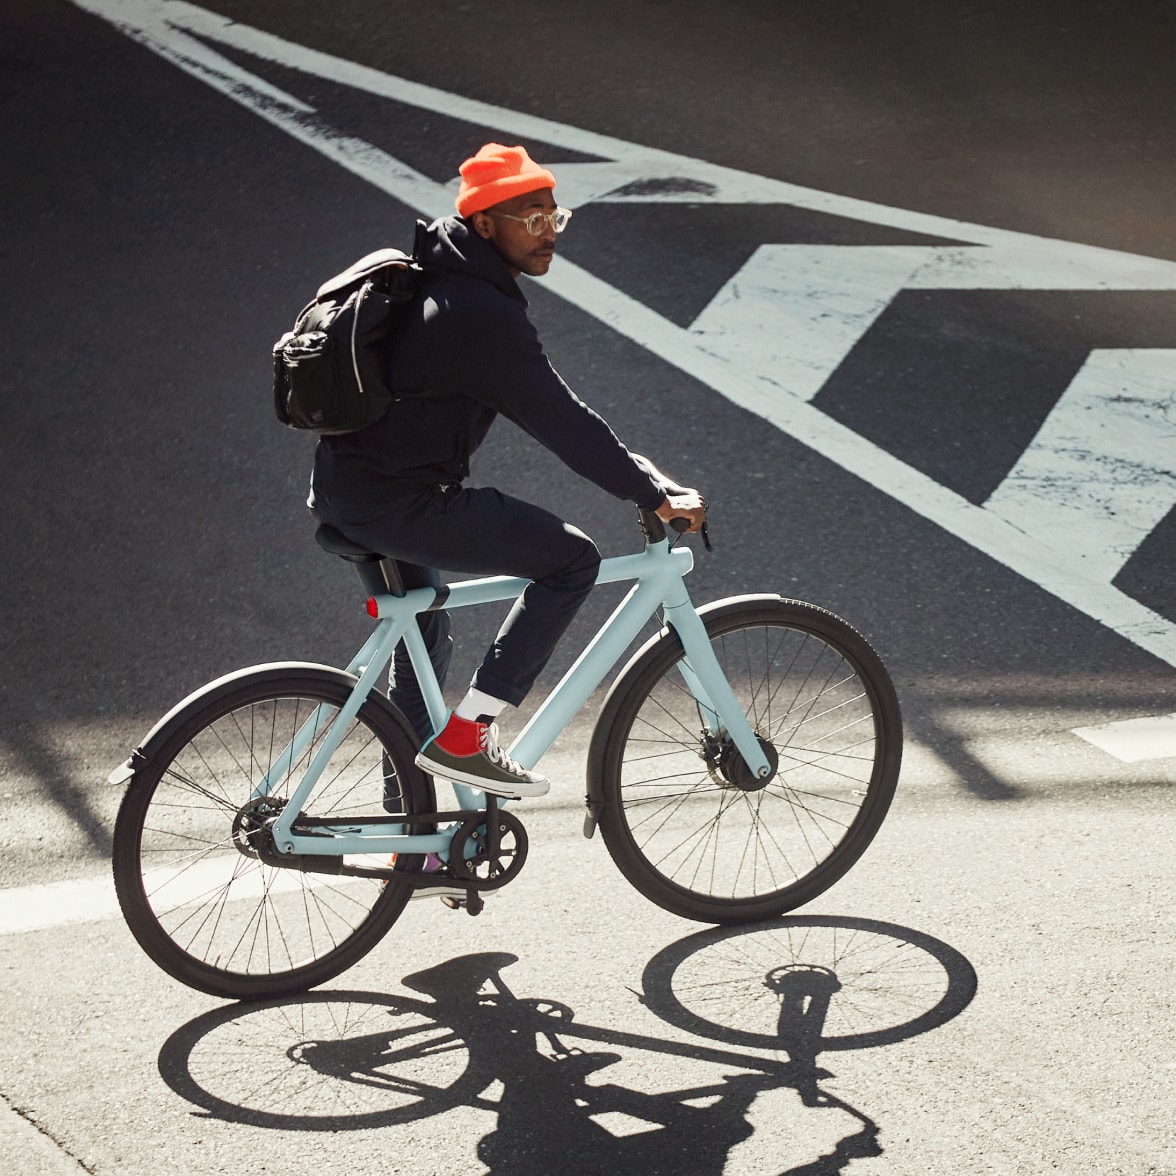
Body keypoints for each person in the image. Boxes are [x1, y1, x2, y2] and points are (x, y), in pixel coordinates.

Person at [308, 142, 706, 801]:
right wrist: (652, 493)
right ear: (485, 224)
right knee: (570, 560)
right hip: (400, 503)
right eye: (532, 218)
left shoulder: (435, 280)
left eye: (556, 216)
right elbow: (562, 422)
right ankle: (467, 739)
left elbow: (559, 412)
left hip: (351, 491)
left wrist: (643, 476)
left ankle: (415, 839)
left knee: (424, 655)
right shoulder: (478, 314)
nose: (549, 233)